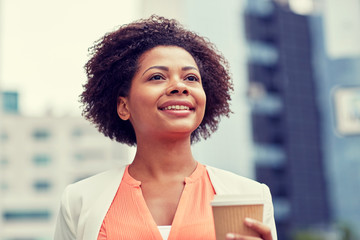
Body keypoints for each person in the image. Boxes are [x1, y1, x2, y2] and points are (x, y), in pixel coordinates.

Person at [54, 15, 277, 240]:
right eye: (157, 77)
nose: (179, 86)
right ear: (124, 106)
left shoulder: (251, 196)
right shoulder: (80, 201)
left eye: (191, 78)